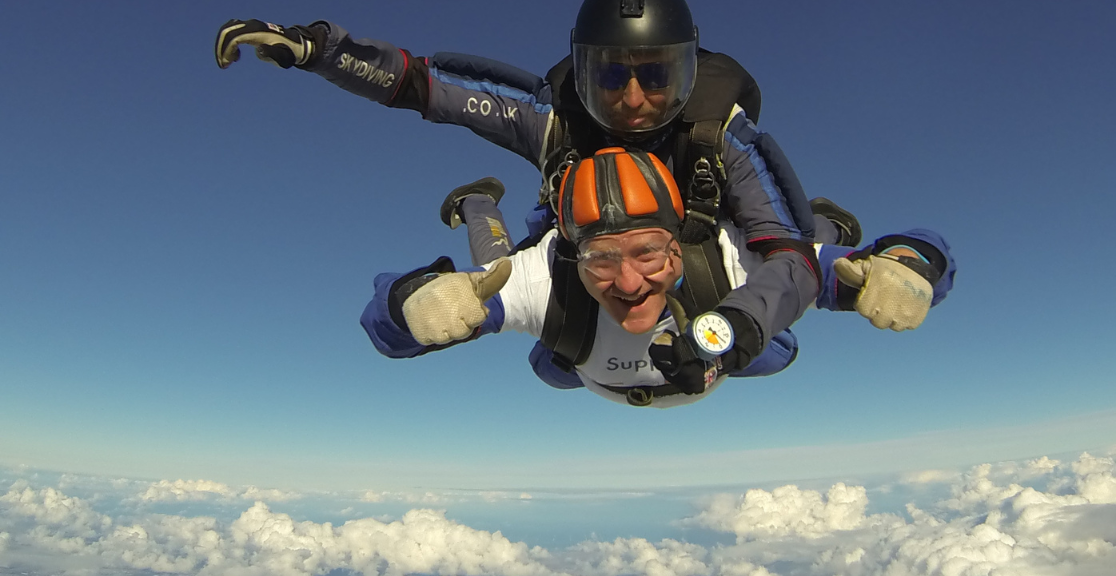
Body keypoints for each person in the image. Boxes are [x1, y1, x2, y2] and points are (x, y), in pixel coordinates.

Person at [216, 0, 858, 379]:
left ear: (688, 74)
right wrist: (319, 52)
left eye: (657, 76)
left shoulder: (722, 138)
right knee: (551, 350)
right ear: (583, 73)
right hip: (576, 242)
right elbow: (424, 85)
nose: (633, 100)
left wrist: (736, 331)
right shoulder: (556, 122)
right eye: (611, 76)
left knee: (773, 348)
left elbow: (792, 256)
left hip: (690, 251)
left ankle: (483, 210)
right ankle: (479, 208)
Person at [363, 148, 954, 407]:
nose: (628, 282)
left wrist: (905, 265)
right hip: (586, 366)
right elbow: (390, 332)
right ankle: (476, 203)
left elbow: (899, 261)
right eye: (601, 258)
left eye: (649, 253)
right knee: (498, 279)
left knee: (789, 289)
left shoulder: (727, 258)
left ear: (681, 243)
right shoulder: (543, 279)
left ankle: (821, 220)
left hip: (633, 362)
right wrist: (411, 302)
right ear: (573, 253)